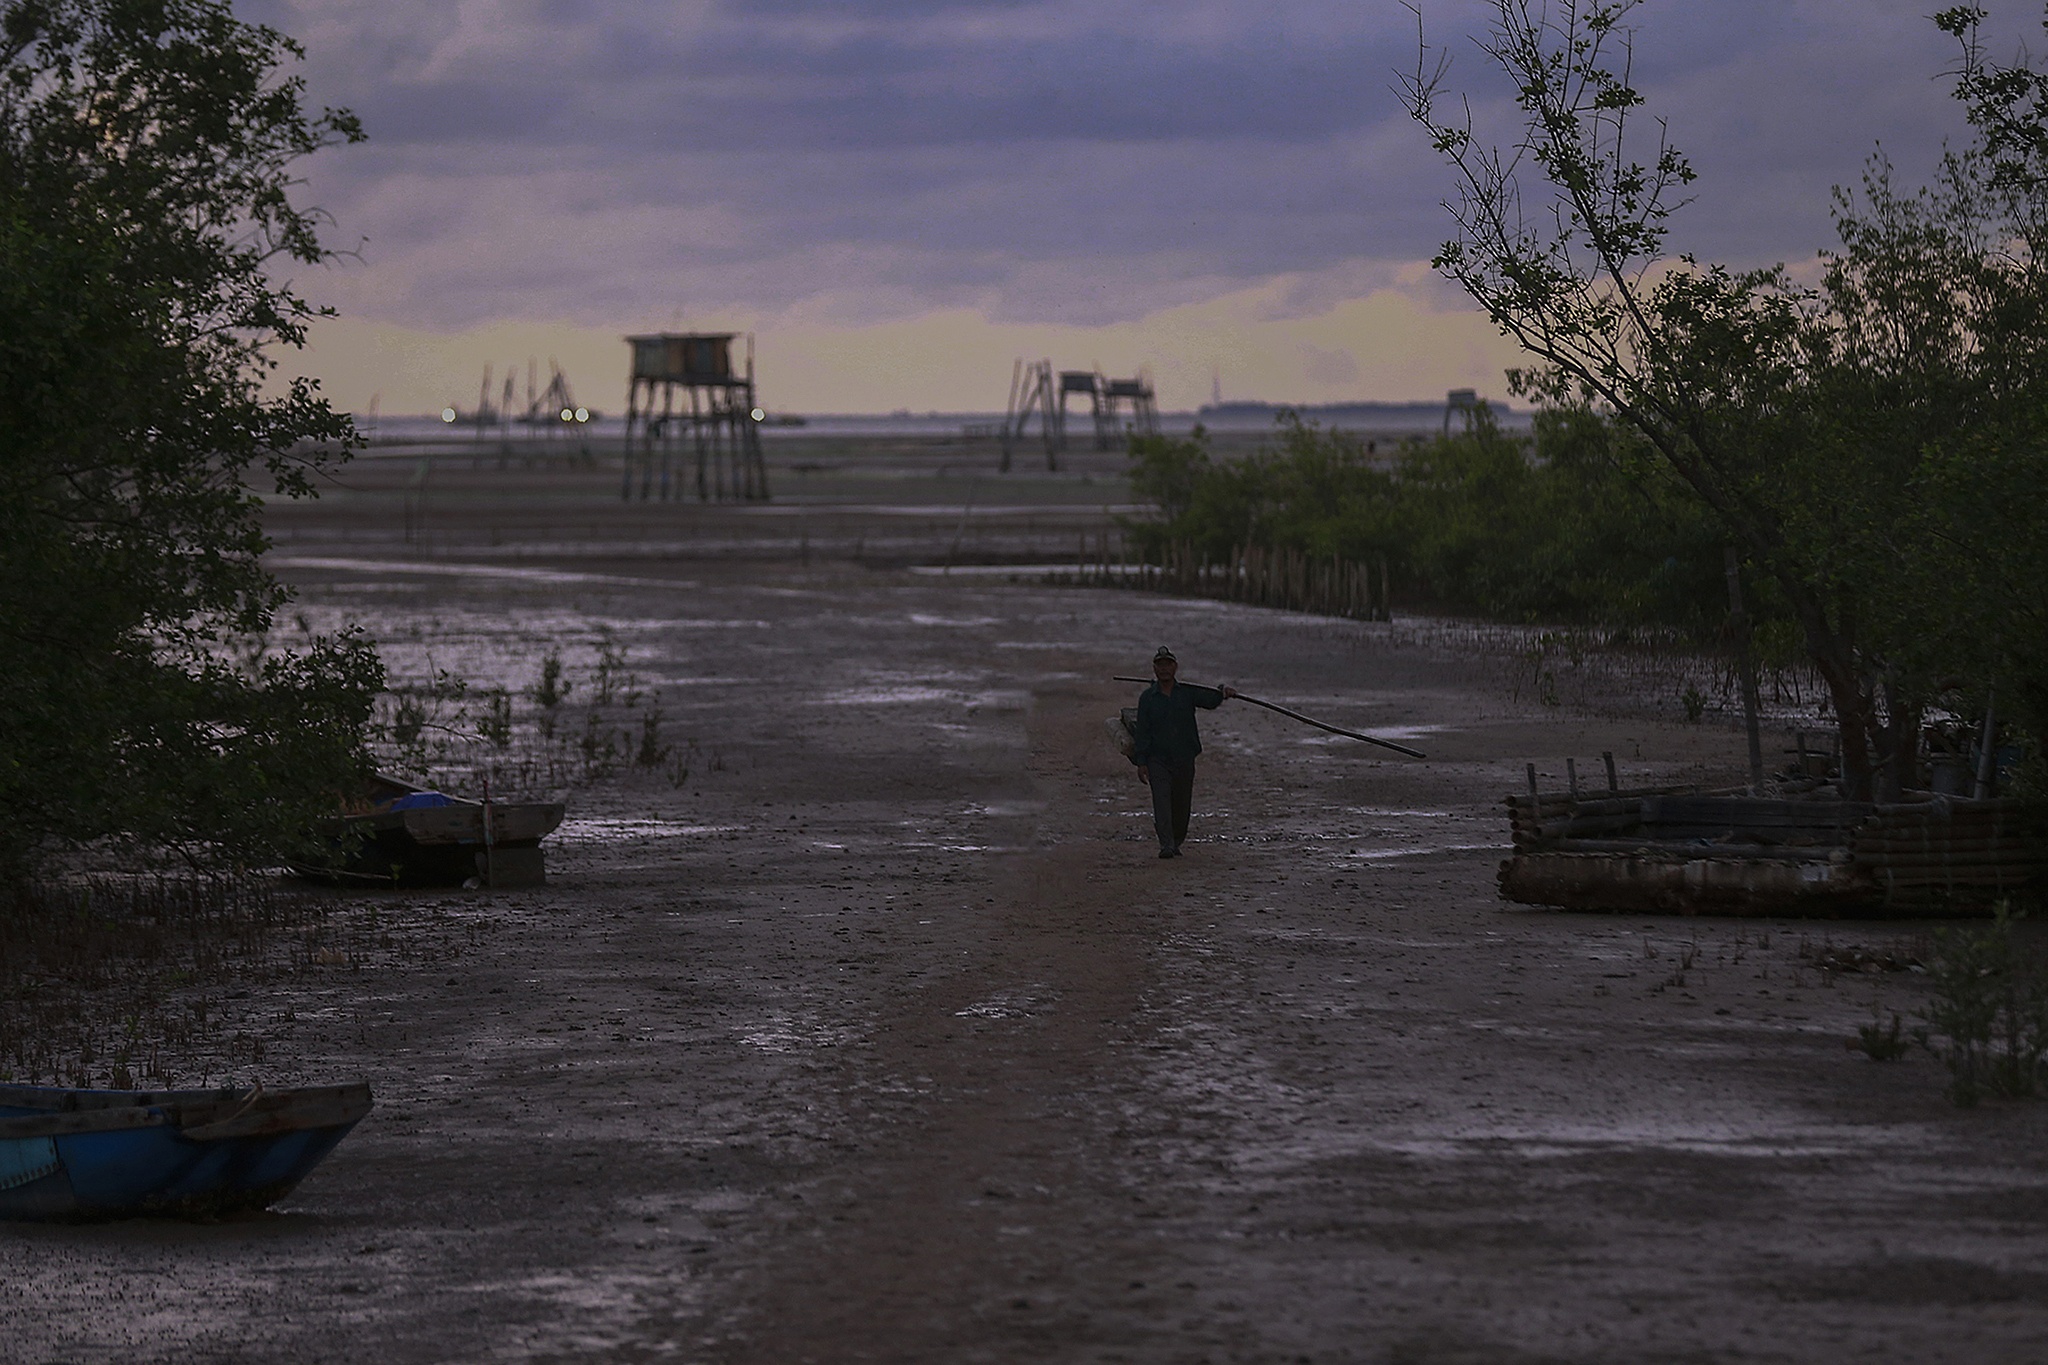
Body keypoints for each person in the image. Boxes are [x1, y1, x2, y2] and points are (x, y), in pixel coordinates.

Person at [1129, 646, 1236, 858]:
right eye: (1160, 665)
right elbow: (1142, 732)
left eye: (1168, 664)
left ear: (1175, 667)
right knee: (1161, 802)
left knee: (1181, 804)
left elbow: (1210, 700)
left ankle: (1176, 841)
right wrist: (1141, 762)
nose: (1164, 669)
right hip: (1157, 759)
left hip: (1184, 758)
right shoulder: (1147, 698)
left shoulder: (1187, 692)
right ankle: (1166, 845)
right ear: (1154, 669)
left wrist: (1223, 691)